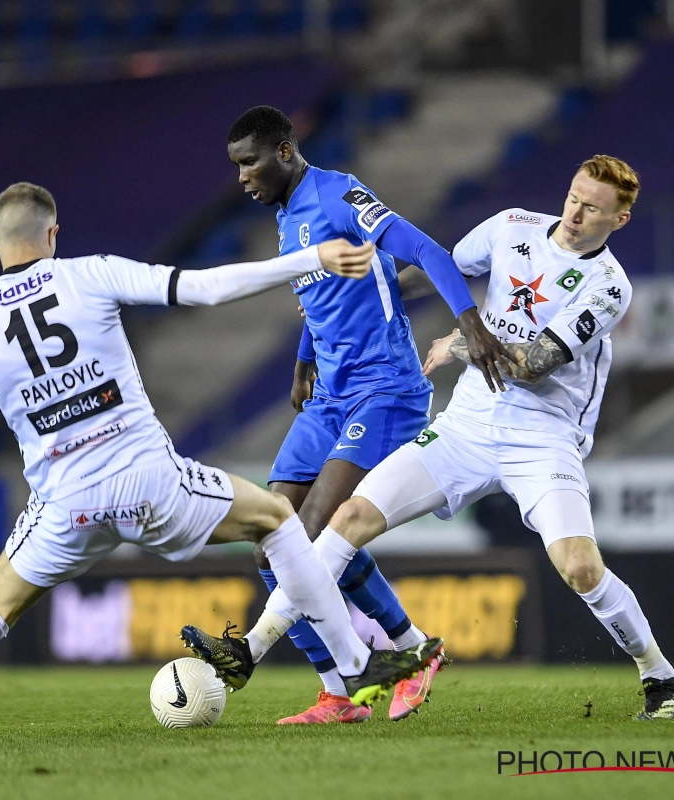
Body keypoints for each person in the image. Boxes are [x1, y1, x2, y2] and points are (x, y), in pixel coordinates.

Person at [0, 182, 444, 753]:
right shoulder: (90, 273)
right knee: (277, 520)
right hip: (151, 486)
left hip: (63, 506)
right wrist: (307, 260)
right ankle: (355, 665)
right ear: (53, 233)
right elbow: (205, 288)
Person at [248, 155, 674, 720]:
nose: (575, 214)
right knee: (348, 519)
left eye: (593, 209)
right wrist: (351, 308)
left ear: (619, 220)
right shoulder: (512, 228)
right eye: (574, 197)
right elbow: (432, 270)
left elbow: (534, 363)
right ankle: (251, 648)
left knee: (578, 566)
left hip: (543, 437)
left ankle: (659, 672)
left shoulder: (608, 287)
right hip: (465, 427)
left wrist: (456, 344)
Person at [181, 106, 506, 724]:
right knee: (267, 544)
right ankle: (345, 689)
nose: (242, 177)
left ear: (283, 152)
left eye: (249, 162)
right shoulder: (285, 217)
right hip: (328, 394)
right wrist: (303, 360)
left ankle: (395, 654)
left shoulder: (338, 196)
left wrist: (471, 321)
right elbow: (319, 299)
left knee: (306, 537)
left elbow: (427, 250)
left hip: (384, 390)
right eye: (236, 166)